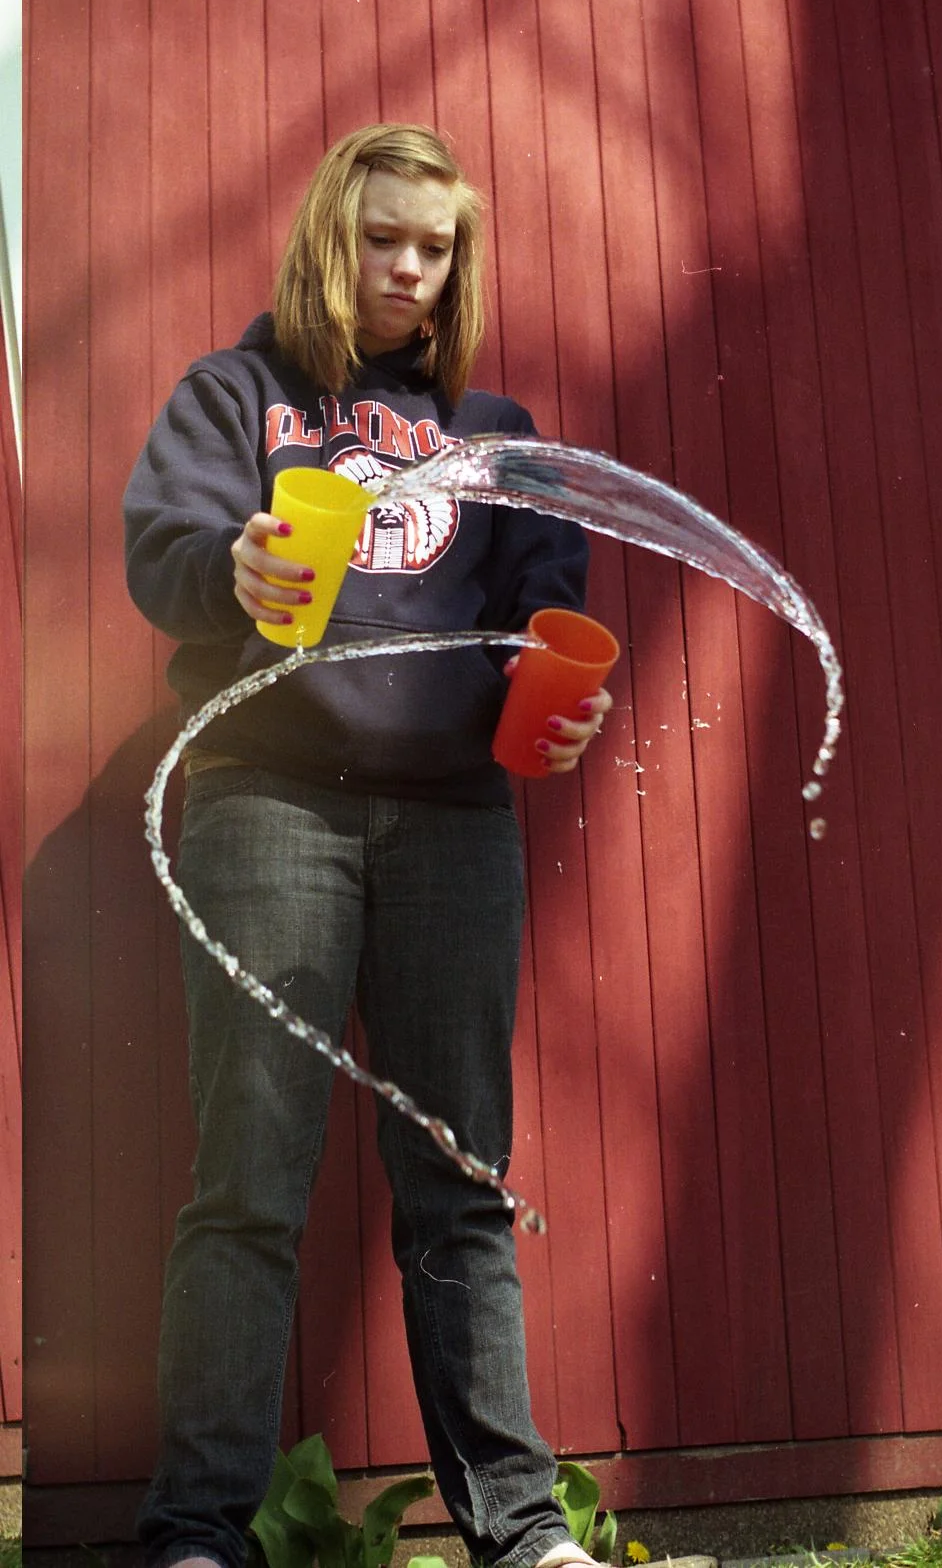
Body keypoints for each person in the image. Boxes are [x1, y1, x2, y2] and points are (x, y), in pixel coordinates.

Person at [123, 123, 613, 1568]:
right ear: (329, 241)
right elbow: (164, 552)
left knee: (460, 1185)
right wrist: (229, 567)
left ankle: (520, 1529)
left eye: (435, 247)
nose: (408, 268)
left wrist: (556, 703)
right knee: (248, 1186)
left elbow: (543, 608)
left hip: (454, 819)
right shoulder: (235, 397)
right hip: (268, 803)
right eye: (382, 237)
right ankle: (197, 1531)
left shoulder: (494, 435)